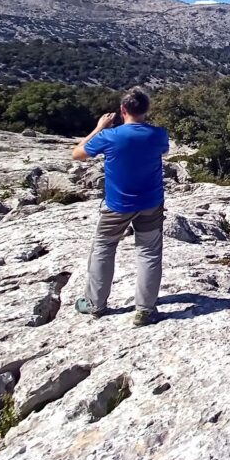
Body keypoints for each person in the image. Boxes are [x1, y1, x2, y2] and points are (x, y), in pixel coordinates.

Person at [70, 87, 170, 327]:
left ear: (122, 110)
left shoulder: (109, 136)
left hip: (117, 204)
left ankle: (95, 304)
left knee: (104, 248)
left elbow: (77, 154)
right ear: (146, 110)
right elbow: (164, 151)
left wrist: (98, 128)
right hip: (150, 202)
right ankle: (145, 310)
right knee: (149, 253)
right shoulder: (158, 135)